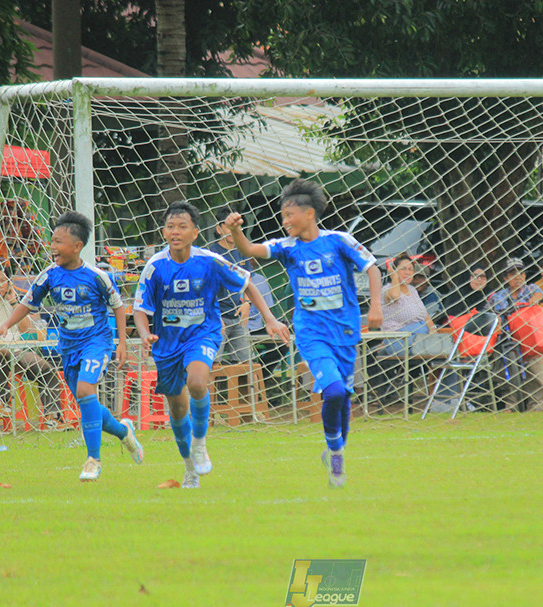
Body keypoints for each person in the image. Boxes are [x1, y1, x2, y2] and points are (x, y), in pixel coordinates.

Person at [225, 178, 383, 488]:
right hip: (311, 334)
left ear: (309, 213)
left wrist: (376, 306)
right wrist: (235, 231)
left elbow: (373, 268)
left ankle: (336, 452)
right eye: (282, 216)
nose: (285, 222)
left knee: (345, 396)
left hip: (346, 331)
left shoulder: (339, 241)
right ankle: (336, 451)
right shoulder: (287, 248)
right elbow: (250, 249)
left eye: (289, 215)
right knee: (334, 390)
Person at [133, 202, 288, 488]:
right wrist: (144, 333)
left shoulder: (210, 261)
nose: (175, 232)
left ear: (195, 232)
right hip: (167, 343)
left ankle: (201, 444)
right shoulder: (155, 266)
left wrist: (269, 319)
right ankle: (189, 467)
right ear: (164, 231)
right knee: (178, 411)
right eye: (170, 226)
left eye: (182, 227)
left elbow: (247, 283)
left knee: (197, 382)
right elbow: (140, 309)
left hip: (203, 334)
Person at [0, 211, 144, 481]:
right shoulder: (49, 275)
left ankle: (93, 460)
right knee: (87, 403)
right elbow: (27, 303)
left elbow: (118, 307)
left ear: (77, 246)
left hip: (97, 342)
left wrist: (121, 343)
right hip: (69, 347)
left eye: (59, 242)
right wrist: (5, 325)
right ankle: (123, 432)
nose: (53, 247)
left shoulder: (97, 276)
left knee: (86, 390)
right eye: (52, 241)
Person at [0, 269, 62, 426]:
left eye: (4, 280)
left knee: (46, 368)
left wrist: (14, 302)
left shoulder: (10, 304)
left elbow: (29, 330)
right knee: (0, 356)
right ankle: (3, 402)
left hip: (16, 352)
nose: (0, 285)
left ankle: (53, 417)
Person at [489, 257, 543, 411]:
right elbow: (492, 314)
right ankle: (511, 405)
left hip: (530, 338)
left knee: (534, 370)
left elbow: (539, 295)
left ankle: (537, 406)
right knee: (504, 372)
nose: (518, 276)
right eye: (512, 273)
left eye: (521, 272)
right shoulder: (498, 296)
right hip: (507, 339)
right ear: (506, 278)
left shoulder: (531, 289)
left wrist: (531, 302)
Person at [206, 207, 254, 364]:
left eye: (238, 227)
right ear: (219, 229)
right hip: (216, 318)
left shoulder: (242, 252)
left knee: (246, 365)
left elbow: (248, 281)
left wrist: (247, 303)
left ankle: (243, 390)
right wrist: (214, 315)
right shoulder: (210, 254)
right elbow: (205, 287)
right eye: (229, 226)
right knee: (214, 364)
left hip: (238, 317)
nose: (234, 230)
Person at [379, 253, 437, 356]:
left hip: (418, 338)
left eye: (410, 269)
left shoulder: (412, 289)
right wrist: (395, 278)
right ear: (395, 270)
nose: (407, 272)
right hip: (399, 340)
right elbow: (395, 296)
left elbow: (425, 315)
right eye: (403, 269)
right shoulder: (387, 290)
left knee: (445, 350)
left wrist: (433, 330)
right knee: (435, 349)